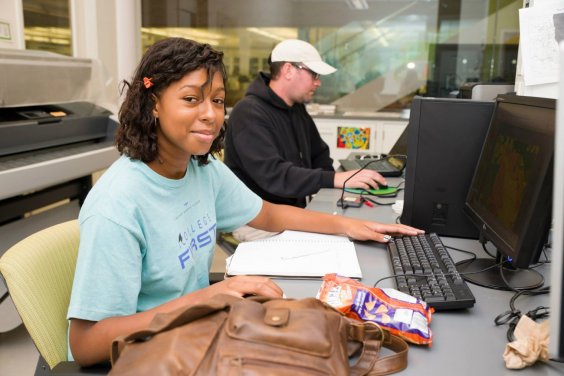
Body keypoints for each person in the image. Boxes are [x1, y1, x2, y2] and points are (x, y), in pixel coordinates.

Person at [66, 38, 422, 367]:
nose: (211, 114)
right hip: (151, 356)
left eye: (218, 100)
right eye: (192, 99)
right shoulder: (117, 205)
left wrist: (351, 225)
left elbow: (266, 213)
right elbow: (84, 346)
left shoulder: (200, 169)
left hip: (194, 333)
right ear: (154, 103)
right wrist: (208, 297)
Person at [224, 39, 388, 241]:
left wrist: (340, 190)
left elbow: (319, 155)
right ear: (288, 70)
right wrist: (336, 179)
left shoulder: (295, 108)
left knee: (349, 232)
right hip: (256, 218)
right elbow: (274, 176)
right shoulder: (249, 113)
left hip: (291, 210)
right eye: (314, 74)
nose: (318, 82)